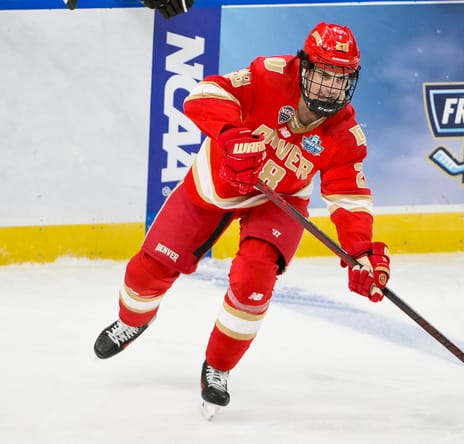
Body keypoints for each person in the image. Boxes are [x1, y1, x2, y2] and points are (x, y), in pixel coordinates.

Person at [93, 22, 391, 418]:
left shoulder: (345, 136)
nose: (330, 88)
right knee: (148, 270)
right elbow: (205, 94)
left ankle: (218, 367)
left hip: (278, 200)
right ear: (304, 67)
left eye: (341, 79)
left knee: (254, 281)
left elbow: (349, 197)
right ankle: (132, 321)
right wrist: (232, 134)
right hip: (217, 181)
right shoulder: (269, 75)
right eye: (323, 75)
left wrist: (362, 252)